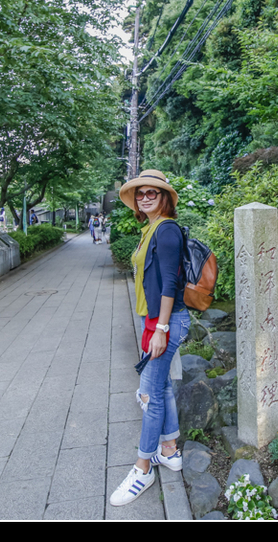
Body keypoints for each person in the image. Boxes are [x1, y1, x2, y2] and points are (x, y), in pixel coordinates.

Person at [109, 170, 190, 507]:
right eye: (140, 193)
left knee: (150, 394)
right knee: (162, 388)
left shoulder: (167, 229)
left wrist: (161, 328)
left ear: (164, 198)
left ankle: (143, 468)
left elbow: (170, 283)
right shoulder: (150, 228)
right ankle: (169, 451)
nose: (144, 197)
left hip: (165, 321)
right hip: (152, 319)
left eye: (151, 193)